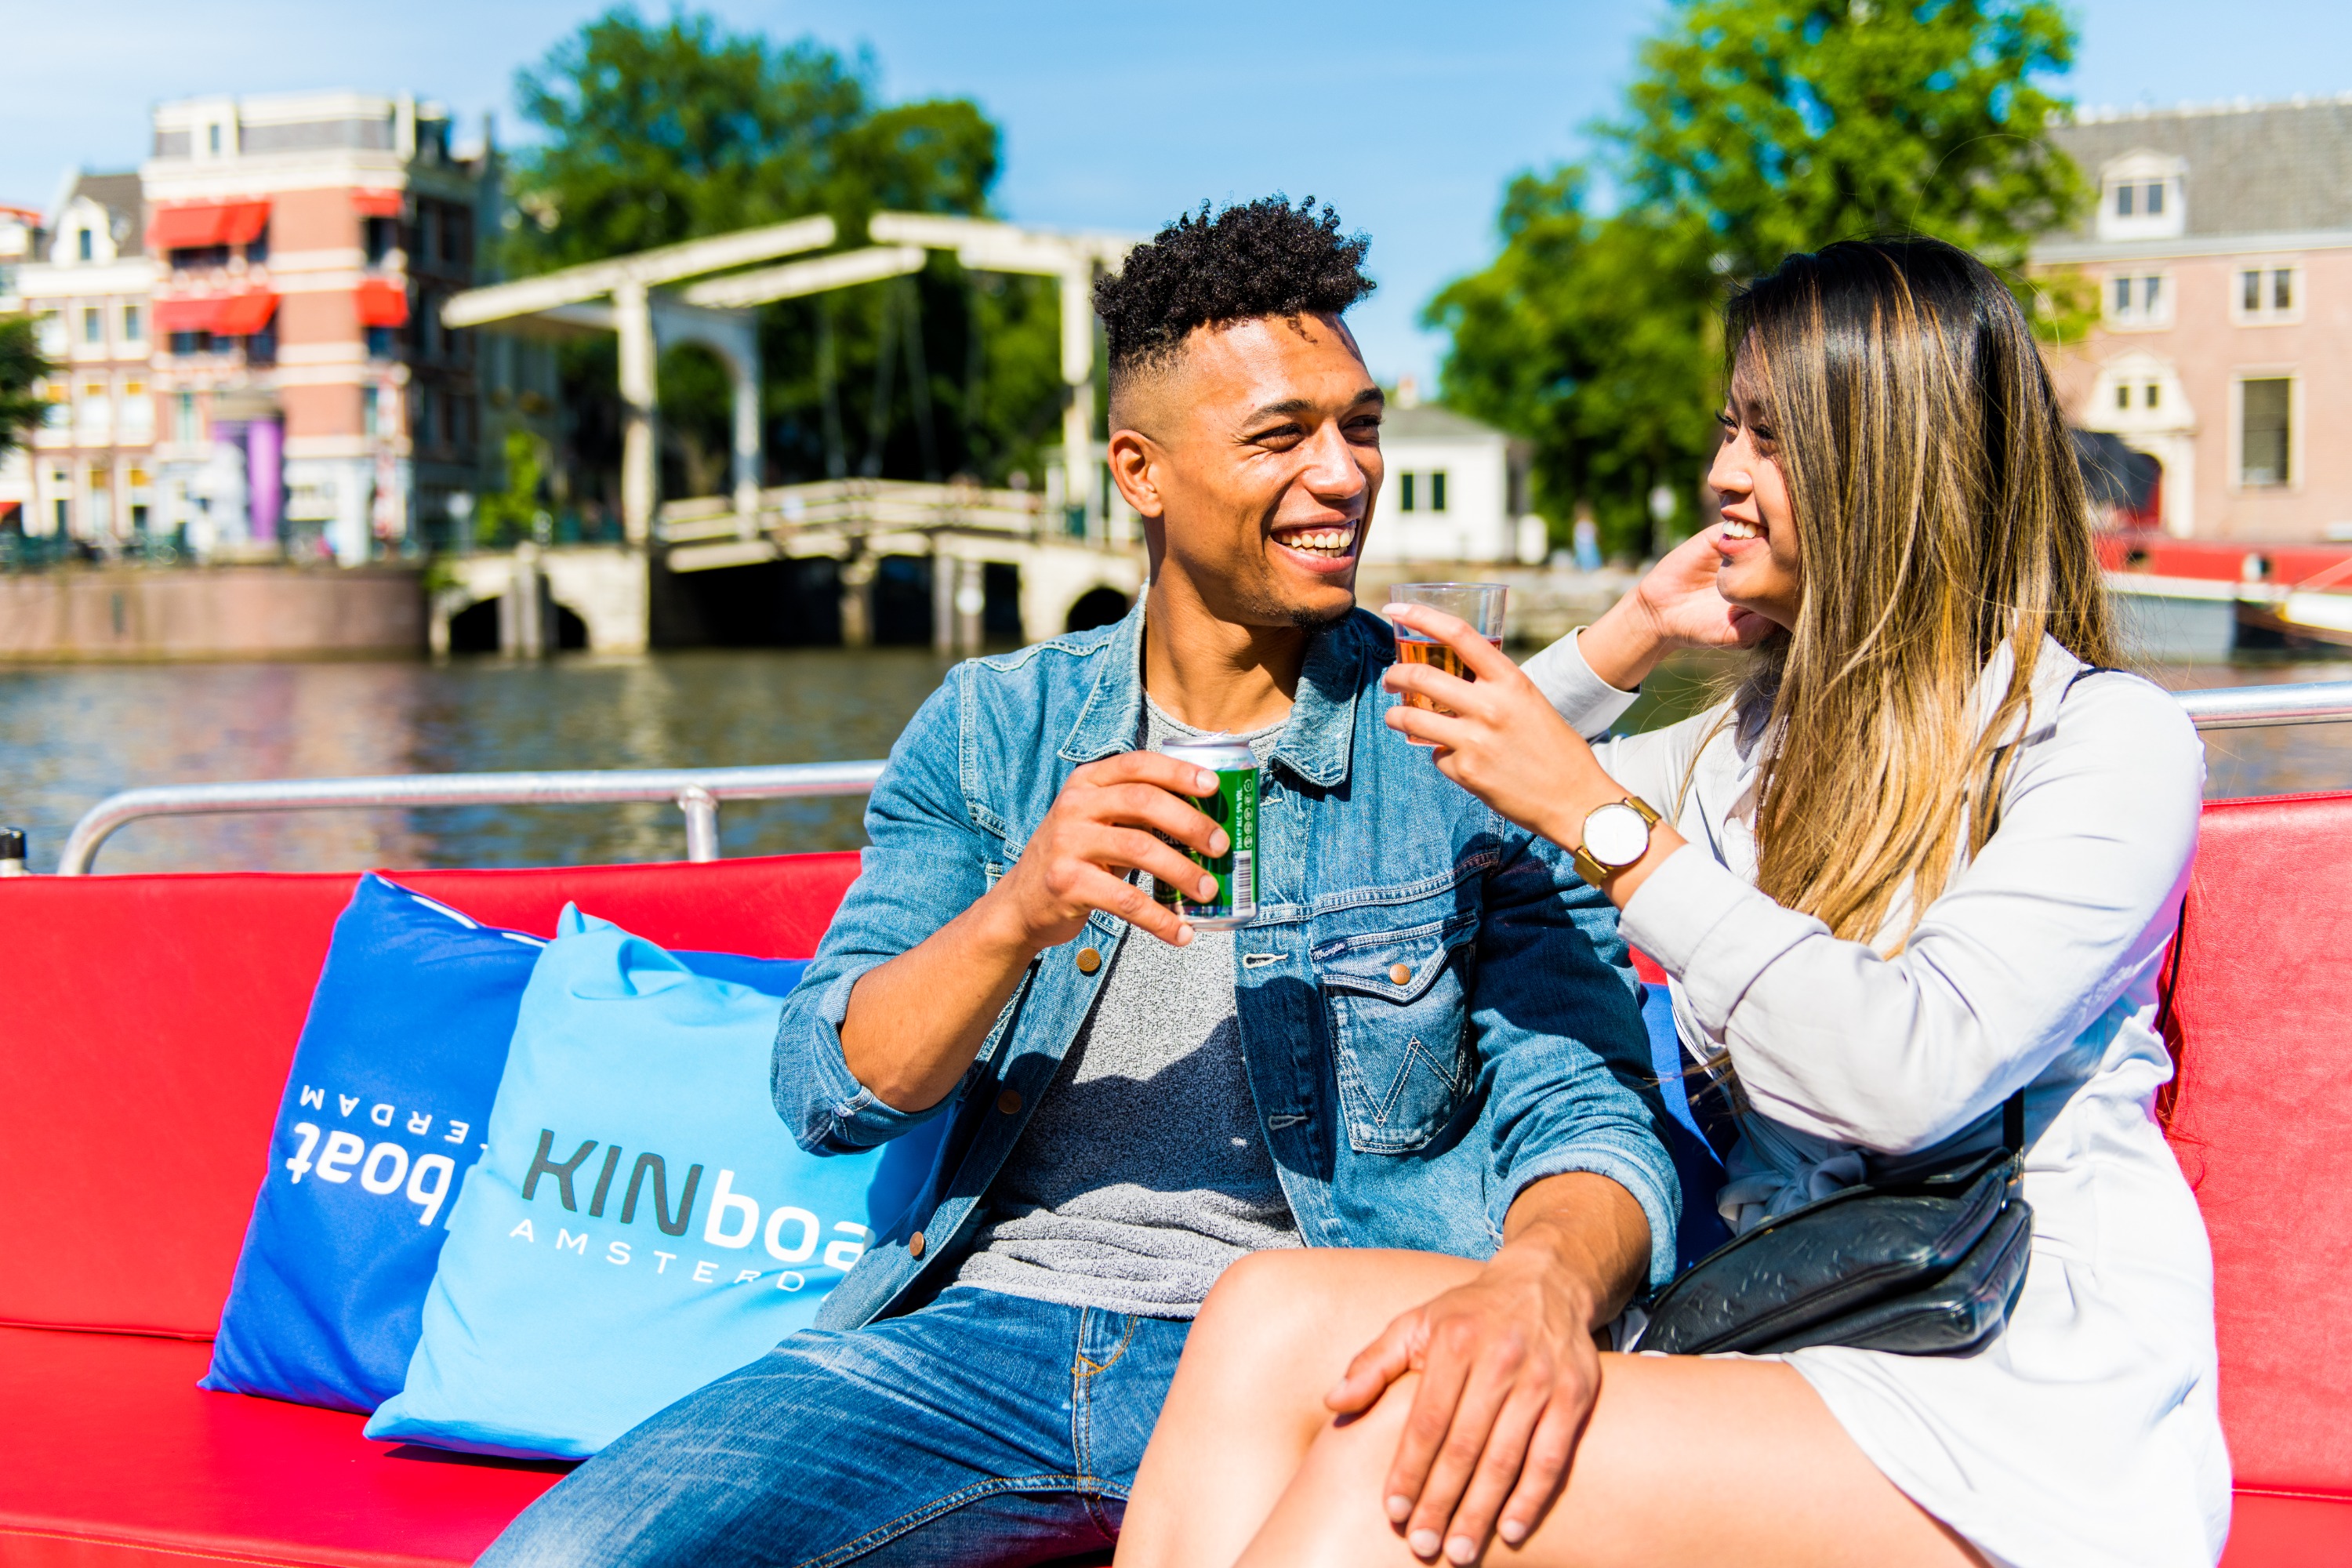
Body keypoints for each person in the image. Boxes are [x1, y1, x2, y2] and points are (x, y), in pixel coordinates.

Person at [479, 196, 1682, 1568]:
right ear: (1140, 471)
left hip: (1307, 1350)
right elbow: (824, 1087)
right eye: (1282, 437)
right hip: (974, 1342)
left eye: (1360, 426)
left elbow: (1591, 1108)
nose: (1346, 475)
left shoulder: (1462, 738)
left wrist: (1536, 1284)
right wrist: (1020, 912)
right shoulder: (994, 729)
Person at [1109, 238, 2228, 1568]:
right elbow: (1442, 805)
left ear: (1888, 464)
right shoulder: (1746, 750)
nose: (1721, 478)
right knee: (1267, 1314)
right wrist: (1631, 632)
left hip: (2006, 1400)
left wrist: (1611, 831)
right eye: (1728, 431)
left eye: (1768, 438)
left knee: (1394, 1466)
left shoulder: (2101, 746)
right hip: (1779, 1335)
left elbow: (1905, 1072)